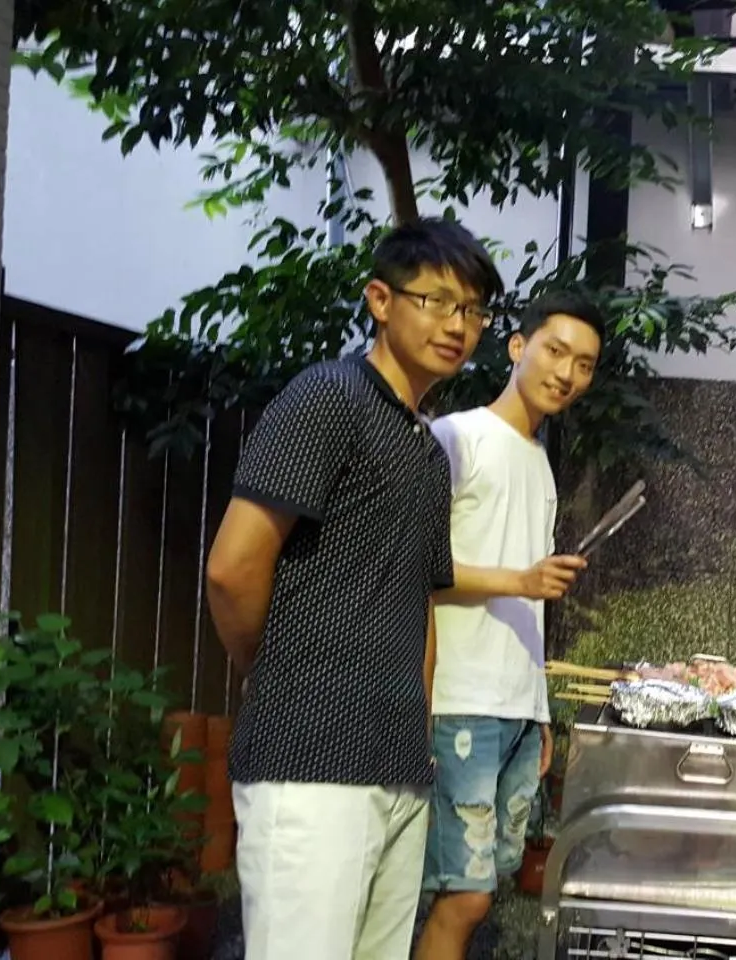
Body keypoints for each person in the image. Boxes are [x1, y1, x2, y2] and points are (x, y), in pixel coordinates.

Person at [205, 218, 503, 960]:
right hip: (308, 759)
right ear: (379, 299)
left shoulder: (427, 450)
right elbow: (232, 566)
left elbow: (422, 600)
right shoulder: (329, 398)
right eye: (435, 301)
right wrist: (269, 674)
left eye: (472, 311)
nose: (456, 325)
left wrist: (421, 736)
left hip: (398, 763)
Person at [413, 289, 606, 960]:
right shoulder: (456, 437)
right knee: (460, 895)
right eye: (555, 351)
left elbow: (529, 603)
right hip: (458, 700)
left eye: (584, 364)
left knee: (485, 887)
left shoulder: (540, 462)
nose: (567, 373)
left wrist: (540, 709)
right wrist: (520, 581)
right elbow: (417, 565)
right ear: (517, 346)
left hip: (515, 707)